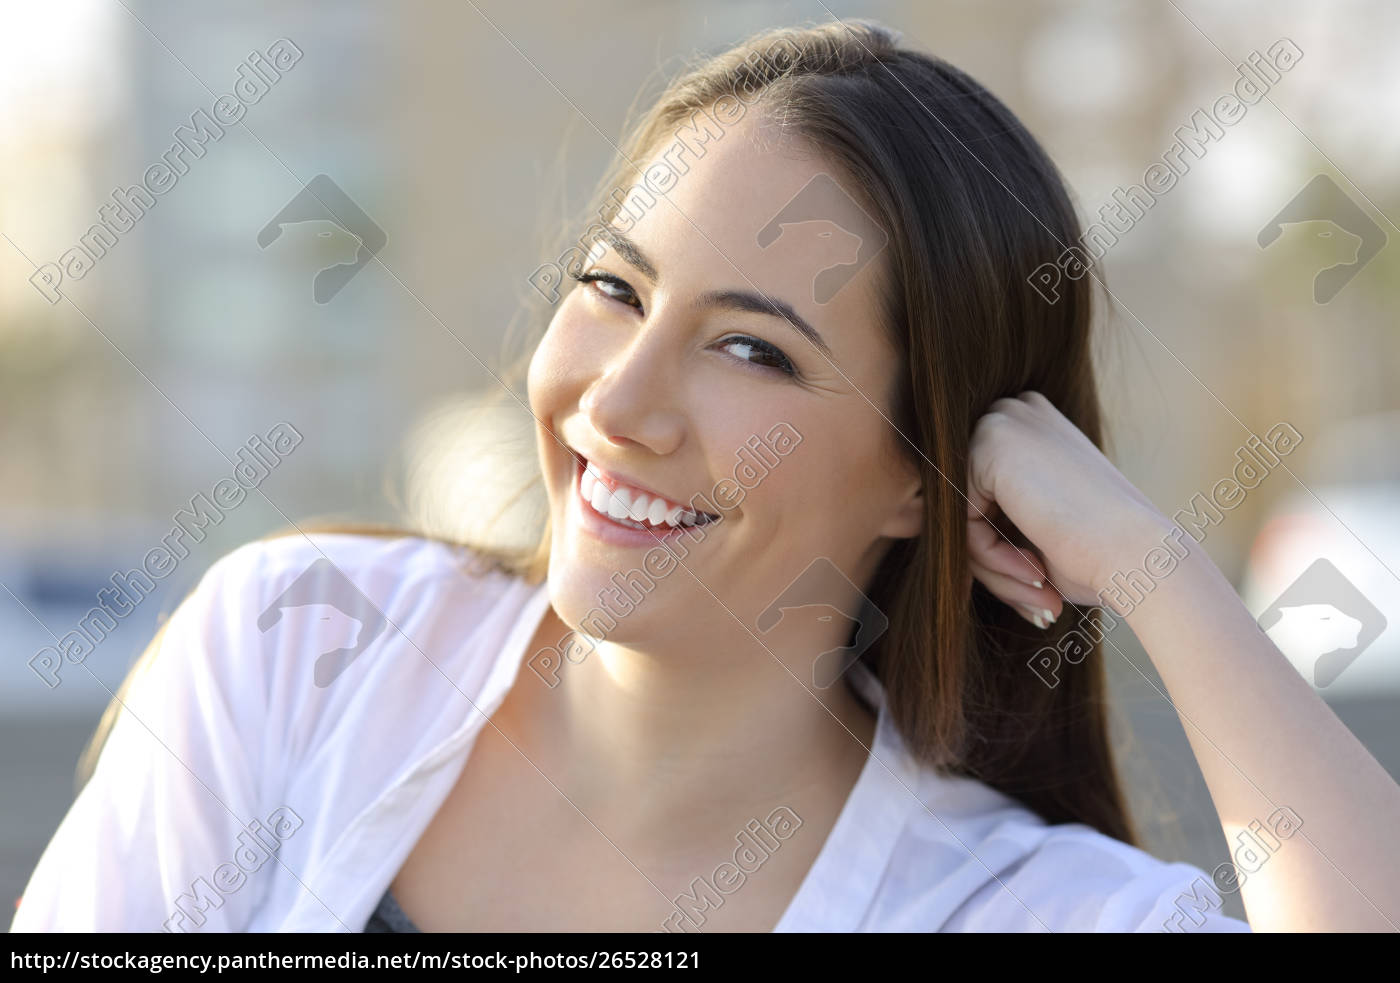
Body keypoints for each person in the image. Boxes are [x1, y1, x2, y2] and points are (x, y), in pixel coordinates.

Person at [12, 19, 1399, 934]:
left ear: (929, 475)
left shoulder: (1008, 906)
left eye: (751, 349)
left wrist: (1151, 564)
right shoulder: (300, 649)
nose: (617, 403)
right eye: (613, 288)